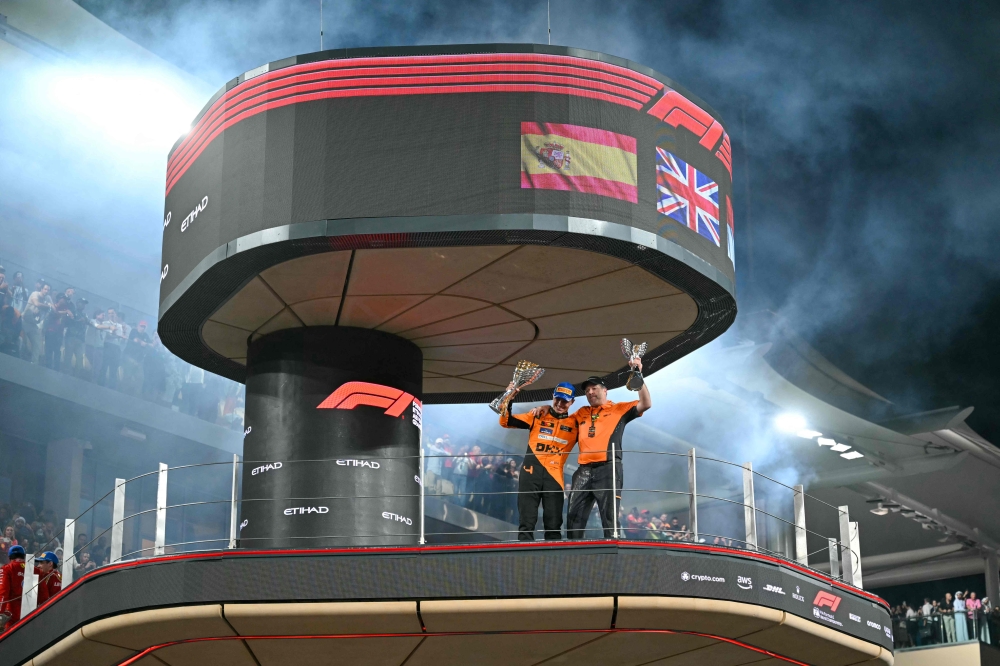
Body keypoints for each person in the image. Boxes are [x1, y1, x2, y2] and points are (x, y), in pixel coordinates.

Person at [550, 363, 651, 539]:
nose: (590, 392)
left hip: (609, 469)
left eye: (594, 388)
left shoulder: (619, 409)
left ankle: (613, 556)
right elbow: (560, 421)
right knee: (573, 515)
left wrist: (638, 375)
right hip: (583, 470)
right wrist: (546, 409)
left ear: (605, 391)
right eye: (587, 390)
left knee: (609, 516)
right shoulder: (581, 412)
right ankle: (572, 556)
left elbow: (646, 403)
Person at [499, 382, 579, 540]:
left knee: (554, 525)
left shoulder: (575, 424)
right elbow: (505, 421)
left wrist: (545, 406)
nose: (560, 404)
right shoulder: (538, 415)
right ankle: (524, 558)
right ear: (553, 397)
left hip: (554, 478)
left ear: (572, 402)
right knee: (526, 522)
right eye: (557, 399)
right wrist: (509, 397)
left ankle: (553, 560)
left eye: (565, 401)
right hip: (530, 474)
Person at [22, 282, 51, 363]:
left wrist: (50, 306)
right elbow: (36, 303)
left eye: (48, 290)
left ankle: (33, 365)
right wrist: (47, 306)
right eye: (45, 289)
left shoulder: (48, 298)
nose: (46, 291)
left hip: (34, 325)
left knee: (37, 345)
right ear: (41, 289)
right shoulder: (35, 293)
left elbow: (53, 308)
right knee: (22, 343)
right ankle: (19, 361)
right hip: (24, 322)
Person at [0, 545, 26, 630]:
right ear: (24, 556)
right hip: (32, 614)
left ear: (9, 557)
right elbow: (44, 596)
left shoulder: (6, 569)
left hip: (12, 615)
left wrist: (0, 612)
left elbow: (3, 593)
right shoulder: (35, 570)